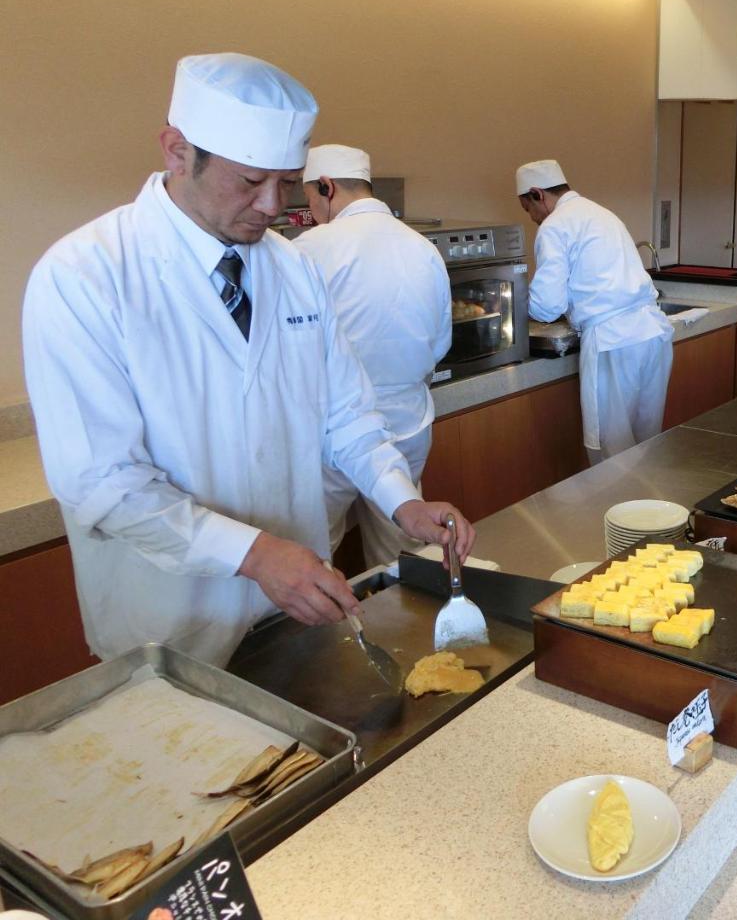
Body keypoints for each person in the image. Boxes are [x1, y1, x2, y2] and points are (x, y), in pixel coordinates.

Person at [22, 54, 474, 668]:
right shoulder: (85, 277)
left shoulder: (292, 268)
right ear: (177, 150)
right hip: (170, 626)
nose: (270, 205)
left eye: (287, 183)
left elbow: (346, 413)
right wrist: (256, 555)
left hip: (287, 613)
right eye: (249, 181)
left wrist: (402, 500)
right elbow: (104, 483)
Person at [292, 144, 452, 568]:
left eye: (308, 196)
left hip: (331, 434)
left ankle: (324, 634)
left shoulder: (309, 248)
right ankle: (407, 631)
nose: (310, 208)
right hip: (408, 422)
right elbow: (441, 343)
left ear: (326, 186)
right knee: (402, 553)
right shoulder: (422, 247)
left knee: (314, 554)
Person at [515, 159, 673, 464]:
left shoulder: (554, 226)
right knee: (647, 445)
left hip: (614, 343)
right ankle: (652, 508)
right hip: (652, 333)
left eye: (528, 209)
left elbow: (547, 306)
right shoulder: (602, 213)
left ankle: (618, 511)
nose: (533, 218)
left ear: (537, 194)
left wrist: (514, 300)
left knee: (612, 454)